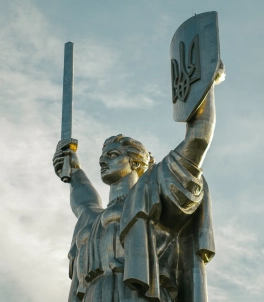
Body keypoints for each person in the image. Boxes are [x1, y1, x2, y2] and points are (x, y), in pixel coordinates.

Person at [53, 67, 223, 301]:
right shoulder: (92, 219)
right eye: (102, 156)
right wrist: (73, 170)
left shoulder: (155, 191)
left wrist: (206, 83)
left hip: (140, 293)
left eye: (112, 154)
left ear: (136, 161)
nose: (103, 160)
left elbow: (197, 139)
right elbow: (84, 202)